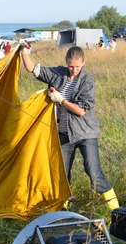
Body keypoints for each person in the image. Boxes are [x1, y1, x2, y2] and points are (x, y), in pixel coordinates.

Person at [20, 46, 119, 210]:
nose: (74, 70)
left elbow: (81, 111)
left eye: (77, 67)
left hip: (85, 133)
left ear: (83, 63)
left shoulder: (88, 81)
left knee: (94, 173)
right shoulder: (58, 73)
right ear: (66, 63)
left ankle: (116, 211)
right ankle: (63, 210)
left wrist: (61, 100)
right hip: (64, 132)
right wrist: (24, 52)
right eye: (71, 66)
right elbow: (32, 69)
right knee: (62, 176)